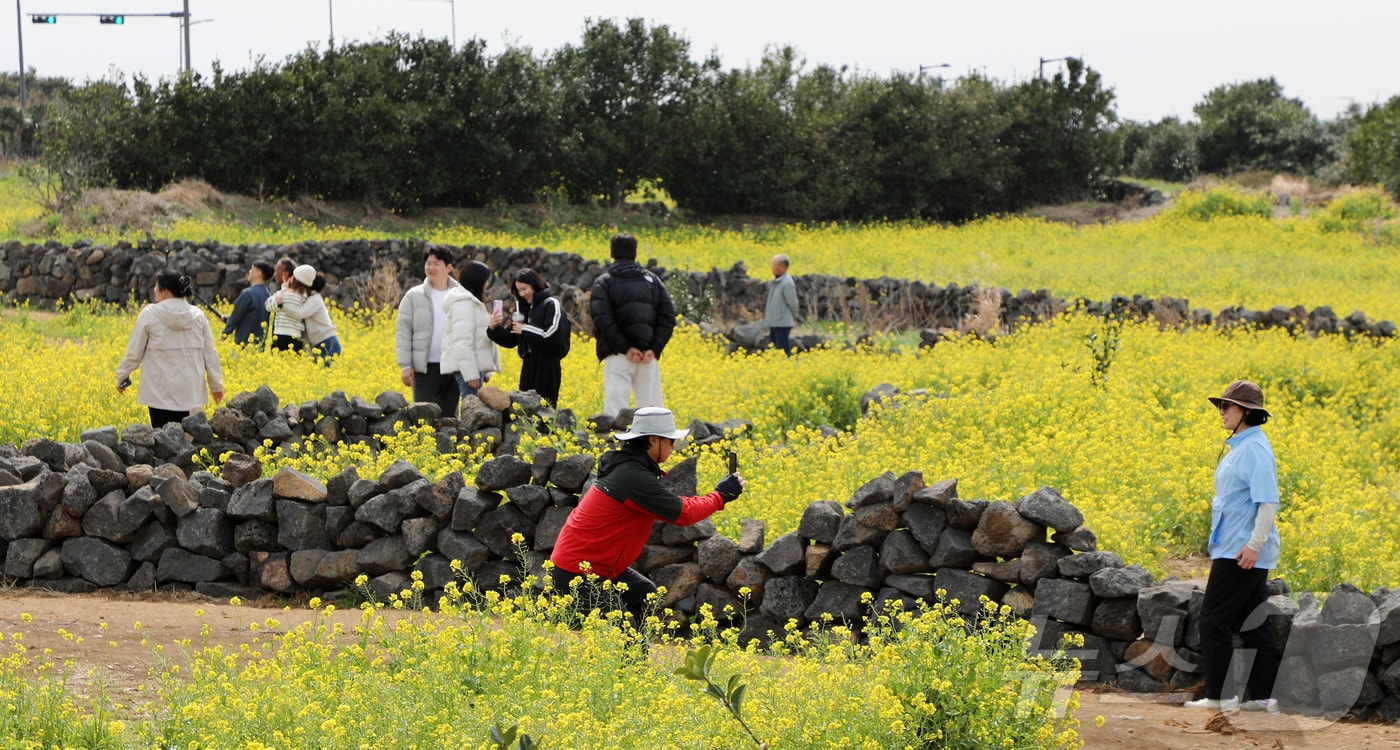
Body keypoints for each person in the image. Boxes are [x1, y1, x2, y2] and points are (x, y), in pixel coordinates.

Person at [549, 407, 744, 628]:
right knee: (623, 633)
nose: (672, 447)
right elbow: (683, 513)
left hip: (594, 568)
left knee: (646, 595)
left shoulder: (629, 468)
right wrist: (719, 497)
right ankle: (628, 661)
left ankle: (635, 663)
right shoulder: (632, 476)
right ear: (653, 440)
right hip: (577, 572)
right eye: (670, 441)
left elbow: (674, 505)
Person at [1184, 380, 1281, 714]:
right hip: (1237, 547)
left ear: (1247, 413)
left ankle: (1221, 696)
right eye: (1221, 406)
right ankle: (1263, 699)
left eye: (1228, 406)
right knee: (1252, 624)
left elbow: (1268, 502)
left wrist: (1254, 545)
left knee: (1213, 620)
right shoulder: (1242, 446)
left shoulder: (1254, 449)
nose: (1222, 411)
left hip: (1241, 551)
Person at [116, 271, 224, 428]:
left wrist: (122, 376)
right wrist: (216, 386)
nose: (154, 289)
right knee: (188, 443)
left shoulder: (149, 314)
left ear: (165, 291)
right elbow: (210, 354)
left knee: (163, 442)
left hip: (159, 392)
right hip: (190, 391)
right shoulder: (198, 316)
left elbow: (134, 353)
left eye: (156, 286)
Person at [589, 233, 676, 417]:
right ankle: (656, 444)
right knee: (653, 411)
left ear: (611, 253)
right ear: (636, 253)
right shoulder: (653, 281)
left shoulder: (604, 282)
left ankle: (617, 445)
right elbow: (668, 317)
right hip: (647, 356)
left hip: (618, 355)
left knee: (615, 412)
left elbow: (602, 319)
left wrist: (626, 348)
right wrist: (654, 348)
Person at [487, 268, 570, 406]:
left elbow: (552, 334)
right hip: (528, 365)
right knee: (525, 410)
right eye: (519, 291)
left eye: (524, 289)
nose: (522, 294)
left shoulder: (550, 304)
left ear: (534, 285)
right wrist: (493, 328)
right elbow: (510, 339)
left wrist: (525, 329)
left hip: (548, 365)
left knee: (545, 410)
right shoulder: (523, 309)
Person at [396, 246, 462, 418]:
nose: (431, 268)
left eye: (436, 263)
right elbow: (403, 331)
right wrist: (406, 365)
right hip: (424, 370)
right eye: (428, 263)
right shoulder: (414, 296)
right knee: (422, 419)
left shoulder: (460, 295)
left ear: (448, 268)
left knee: (450, 421)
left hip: (453, 368)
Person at [441, 260, 501, 400]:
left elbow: (480, 337)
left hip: (473, 366)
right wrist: (471, 374)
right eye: (485, 280)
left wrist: (485, 372)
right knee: (472, 408)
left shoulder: (472, 302)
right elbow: (462, 341)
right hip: (467, 369)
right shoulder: (464, 304)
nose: (487, 284)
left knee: (475, 407)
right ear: (478, 281)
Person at [279, 264, 342, 364]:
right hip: (320, 344)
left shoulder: (315, 299)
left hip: (328, 343)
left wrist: (281, 305)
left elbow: (299, 313)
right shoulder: (309, 298)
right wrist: (284, 289)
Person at [220, 260, 275, 346]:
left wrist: (223, 336)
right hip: (259, 346)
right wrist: (227, 319)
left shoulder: (248, 293)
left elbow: (235, 317)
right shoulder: (268, 295)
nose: (249, 272)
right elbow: (253, 317)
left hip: (243, 344)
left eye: (251, 269)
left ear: (258, 274)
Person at [265, 257, 305, 352]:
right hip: (297, 337)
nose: (274, 274)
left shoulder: (282, 294)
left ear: (285, 275)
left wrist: (283, 289)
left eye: (276, 271)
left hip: (280, 337)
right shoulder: (302, 296)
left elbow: (268, 305)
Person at [763, 253, 799, 355]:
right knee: (772, 350)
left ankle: (788, 366)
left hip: (782, 323)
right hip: (775, 322)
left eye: (775, 265)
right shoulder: (776, 282)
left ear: (783, 267)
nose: (772, 268)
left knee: (783, 350)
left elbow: (793, 303)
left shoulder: (787, 282)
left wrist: (794, 317)